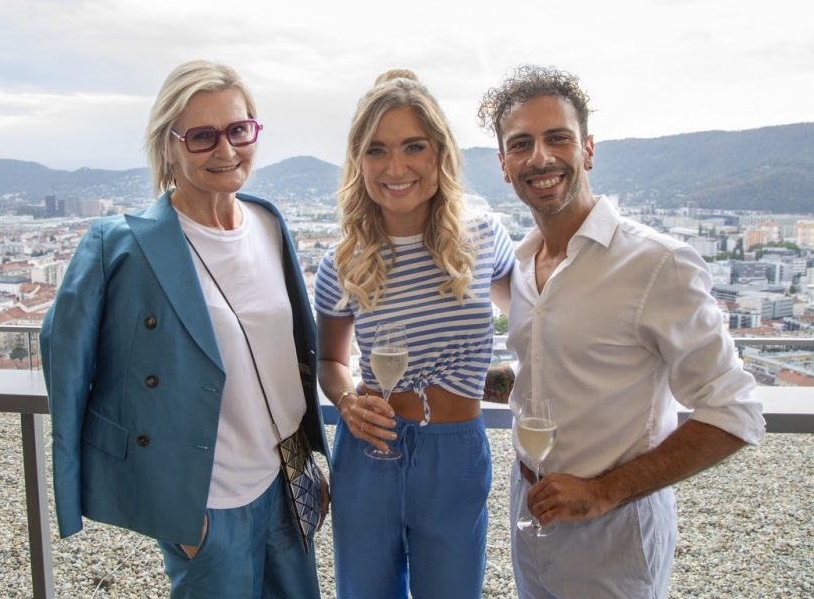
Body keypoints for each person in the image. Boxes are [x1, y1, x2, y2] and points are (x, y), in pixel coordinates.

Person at [40, 59, 330, 598]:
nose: (226, 150)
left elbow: (283, 362)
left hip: (285, 487)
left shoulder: (268, 222)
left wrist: (306, 461)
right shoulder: (123, 244)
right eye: (202, 136)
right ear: (169, 146)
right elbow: (67, 361)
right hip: (207, 504)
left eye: (238, 130)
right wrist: (173, 513)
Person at [476, 64, 766, 598]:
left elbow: (736, 410)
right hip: (529, 509)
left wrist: (603, 493)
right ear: (503, 165)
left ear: (587, 150)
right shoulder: (521, 264)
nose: (539, 157)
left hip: (614, 534)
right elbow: (553, 368)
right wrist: (468, 379)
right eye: (521, 144)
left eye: (557, 138)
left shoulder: (657, 264)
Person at [315, 69, 515, 599]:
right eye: (377, 150)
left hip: (456, 452)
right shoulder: (343, 260)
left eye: (413, 147)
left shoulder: (483, 234)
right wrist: (346, 401)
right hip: (369, 448)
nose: (395, 167)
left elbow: (536, 314)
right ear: (359, 161)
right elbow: (330, 362)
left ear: (439, 154)